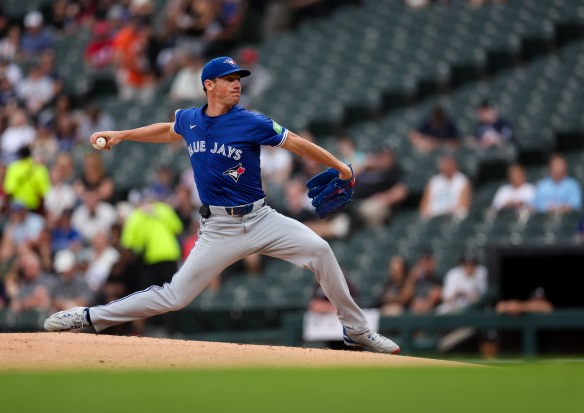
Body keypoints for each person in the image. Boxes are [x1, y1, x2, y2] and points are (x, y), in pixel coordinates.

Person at [44, 56, 400, 354]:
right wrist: (123, 134)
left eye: (238, 79)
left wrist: (337, 165)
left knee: (320, 250)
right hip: (218, 228)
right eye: (228, 79)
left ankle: (356, 330)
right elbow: (169, 129)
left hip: (261, 218)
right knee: (174, 296)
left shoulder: (250, 121)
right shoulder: (190, 119)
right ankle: (88, 317)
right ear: (208, 85)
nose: (237, 84)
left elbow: (296, 143)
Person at [355, 146, 408, 227]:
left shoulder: (394, 172)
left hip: (375, 204)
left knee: (370, 209)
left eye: (388, 157)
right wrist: (363, 166)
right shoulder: (367, 168)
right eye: (382, 156)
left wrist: (385, 198)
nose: (385, 159)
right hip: (354, 200)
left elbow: (401, 192)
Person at [419, 154, 472, 220]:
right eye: (443, 163)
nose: (445, 166)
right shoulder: (434, 181)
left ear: (454, 165)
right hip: (434, 217)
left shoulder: (462, 180)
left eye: (448, 163)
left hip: (453, 217)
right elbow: (424, 208)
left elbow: (463, 206)